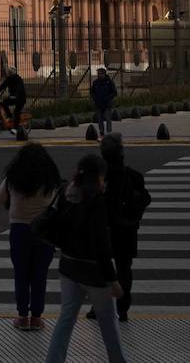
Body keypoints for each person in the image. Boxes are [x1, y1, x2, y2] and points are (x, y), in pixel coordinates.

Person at [41, 154, 127, 363]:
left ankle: (53, 360)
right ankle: (118, 360)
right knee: (108, 322)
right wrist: (113, 279)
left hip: (68, 265)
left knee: (66, 318)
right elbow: (102, 244)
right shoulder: (96, 201)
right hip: (94, 272)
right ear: (98, 176)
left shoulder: (66, 192)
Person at [0, 141, 62, 331]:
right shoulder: (50, 178)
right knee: (40, 275)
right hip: (44, 232)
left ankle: (22, 316)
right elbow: (56, 202)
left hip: (19, 229)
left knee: (21, 274)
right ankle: (37, 317)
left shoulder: (13, 177)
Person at [88, 134, 149, 322]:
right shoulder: (133, 176)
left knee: (101, 269)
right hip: (126, 229)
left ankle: (99, 307)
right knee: (124, 268)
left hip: (104, 230)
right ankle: (122, 308)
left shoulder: (98, 179)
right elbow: (145, 198)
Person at [0, 65, 27, 139]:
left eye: (10, 72)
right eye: (8, 72)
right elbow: (2, 86)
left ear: (13, 72)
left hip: (20, 98)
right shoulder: (8, 79)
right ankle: (9, 116)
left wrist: (15, 95)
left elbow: (19, 88)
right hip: (13, 97)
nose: (8, 73)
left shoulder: (18, 79)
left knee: (17, 111)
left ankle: (15, 128)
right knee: (4, 103)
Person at [90, 67, 118, 134]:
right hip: (98, 104)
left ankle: (109, 132)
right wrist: (95, 98)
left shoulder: (109, 82)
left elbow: (114, 92)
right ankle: (101, 132)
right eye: (98, 74)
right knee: (100, 120)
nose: (99, 75)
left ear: (104, 74)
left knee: (108, 119)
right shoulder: (96, 82)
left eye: (100, 74)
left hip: (107, 104)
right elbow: (92, 92)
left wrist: (108, 98)